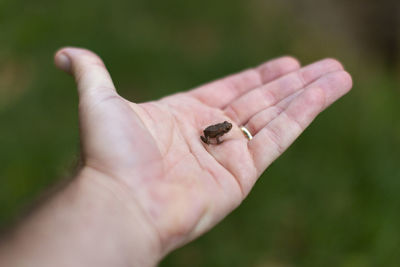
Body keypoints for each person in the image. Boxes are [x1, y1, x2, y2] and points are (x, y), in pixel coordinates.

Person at [0, 47, 352, 266]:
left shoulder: (222, 129)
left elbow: (218, 129)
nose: (224, 131)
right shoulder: (217, 132)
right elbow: (212, 133)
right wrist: (116, 191)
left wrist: (116, 197)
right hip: (204, 138)